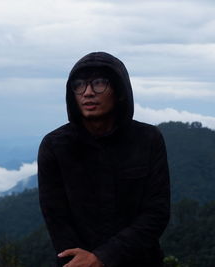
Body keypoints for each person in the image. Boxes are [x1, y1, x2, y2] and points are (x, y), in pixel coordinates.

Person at [38, 52, 170, 267]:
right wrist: (83, 261)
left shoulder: (148, 139)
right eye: (79, 85)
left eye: (99, 83)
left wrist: (103, 258)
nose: (88, 93)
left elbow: (156, 213)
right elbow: (56, 217)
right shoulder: (55, 146)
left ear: (119, 91)